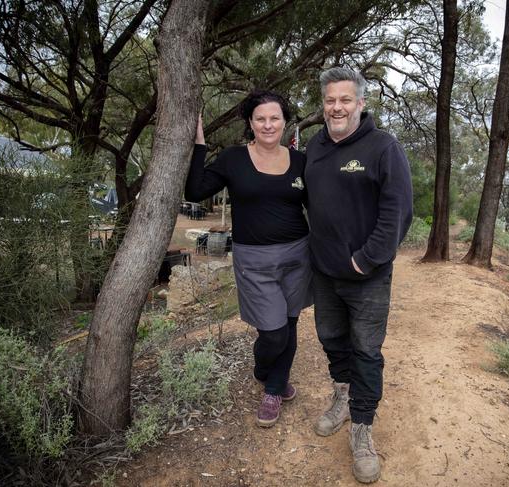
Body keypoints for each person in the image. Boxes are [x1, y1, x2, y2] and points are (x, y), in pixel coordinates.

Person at [304, 67, 413, 483]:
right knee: (332, 340)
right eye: (330, 100)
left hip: (366, 276)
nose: (337, 107)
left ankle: (363, 429)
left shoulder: (383, 147)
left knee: (366, 351)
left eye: (345, 100)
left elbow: (398, 210)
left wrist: (366, 259)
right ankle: (342, 399)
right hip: (325, 274)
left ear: (361, 103)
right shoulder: (314, 146)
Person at [185, 90, 311, 428]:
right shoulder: (233, 158)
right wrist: (199, 144)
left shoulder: (301, 161)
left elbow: (320, 206)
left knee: (290, 324)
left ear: (285, 122)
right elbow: (194, 191)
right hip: (253, 259)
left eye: (275, 118)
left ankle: (273, 388)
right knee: (273, 333)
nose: (268, 125)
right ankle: (263, 368)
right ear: (250, 123)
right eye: (261, 119)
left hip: (298, 255)